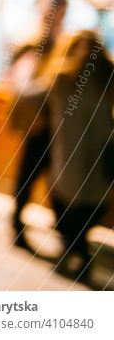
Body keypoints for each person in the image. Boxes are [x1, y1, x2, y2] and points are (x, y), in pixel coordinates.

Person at [39, 31, 114, 284]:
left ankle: (75, 252)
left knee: (67, 210)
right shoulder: (106, 80)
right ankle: (78, 253)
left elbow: (33, 94)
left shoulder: (62, 79)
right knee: (85, 212)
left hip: (67, 166)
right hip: (97, 170)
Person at [6, 0, 67, 252]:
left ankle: (65, 230)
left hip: (58, 122)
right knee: (29, 174)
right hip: (36, 121)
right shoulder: (32, 41)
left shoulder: (64, 41)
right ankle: (18, 222)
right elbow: (20, 83)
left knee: (58, 175)